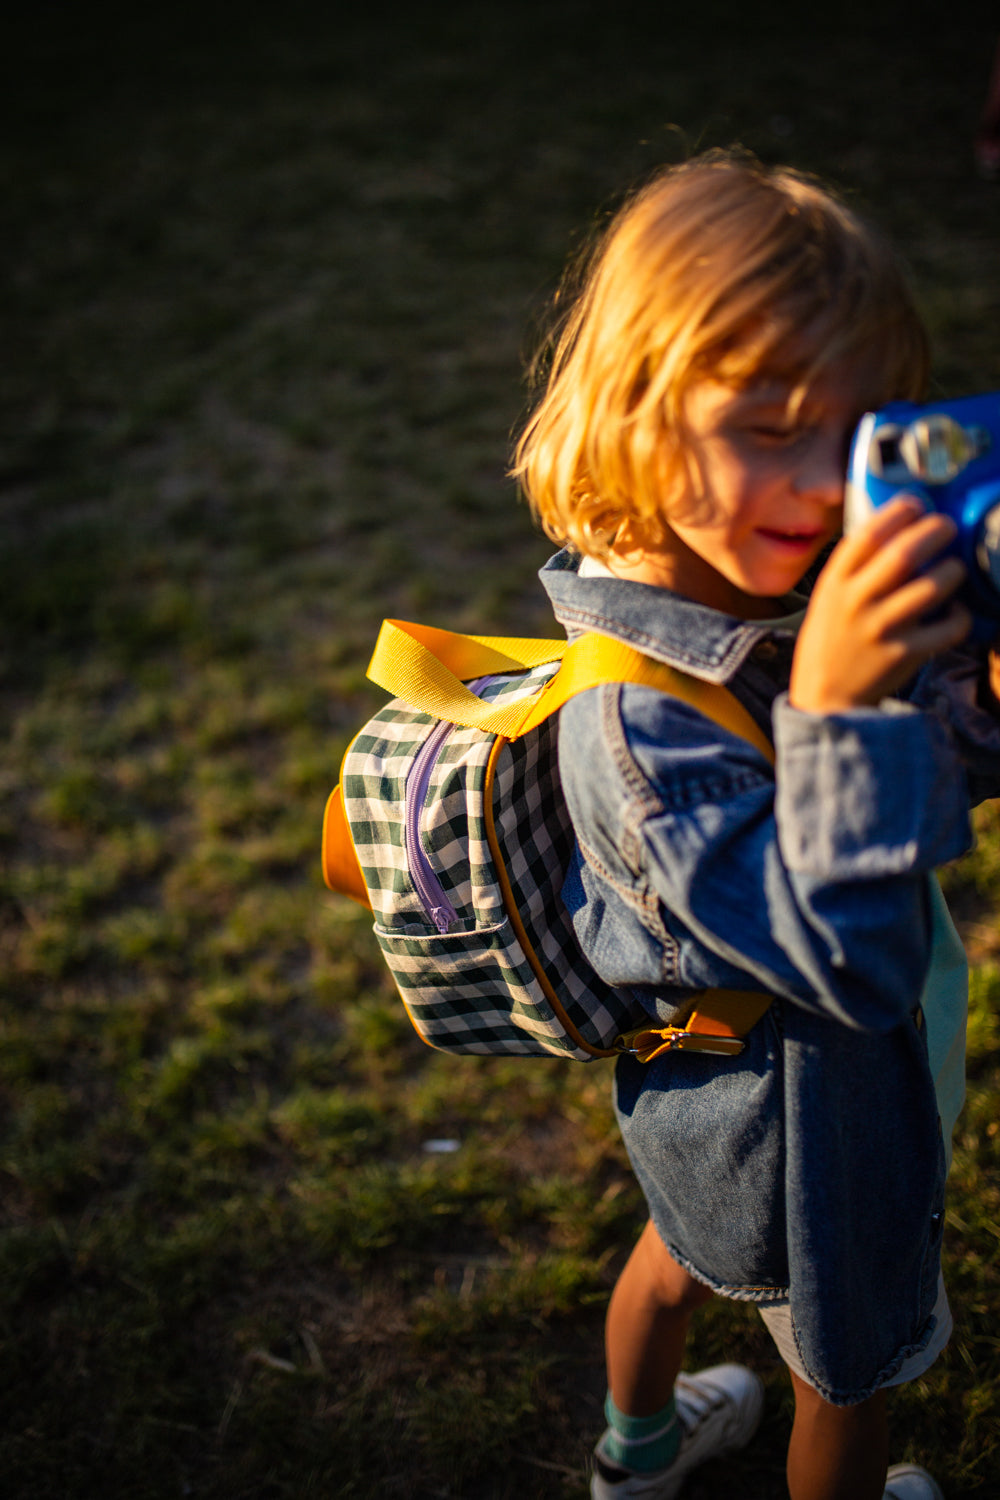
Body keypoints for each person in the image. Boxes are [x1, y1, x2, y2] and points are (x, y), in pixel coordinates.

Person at [511, 151, 1000, 1500]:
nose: (819, 489)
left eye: (855, 436)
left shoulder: (753, 587)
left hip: (702, 1116)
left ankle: (636, 1456)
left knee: (674, 1262)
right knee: (848, 1377)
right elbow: (841, 963)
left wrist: (976, 683)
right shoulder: (638, 723)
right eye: (765, 428)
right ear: (634, 413)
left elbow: (930, 773)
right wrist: (839, 701)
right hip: (807, 1131)